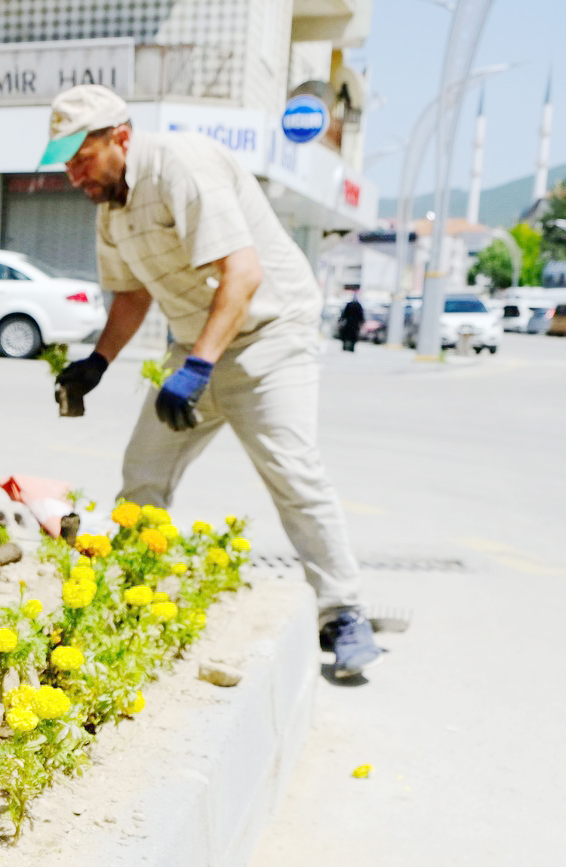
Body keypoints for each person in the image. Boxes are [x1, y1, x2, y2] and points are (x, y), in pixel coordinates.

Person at [43, 85, 382, 679]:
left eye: (81, 157)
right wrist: (96, 363)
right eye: (65, 163)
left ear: (120, 137)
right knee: (142, 475)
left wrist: (198, 370)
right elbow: (132, 293)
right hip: (194, 343)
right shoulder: (110, 207)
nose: (73, 175)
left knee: (293, 472)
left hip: (269, 337)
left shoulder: (183, 164)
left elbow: (243, 274)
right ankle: (138, 596)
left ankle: (344, 612)